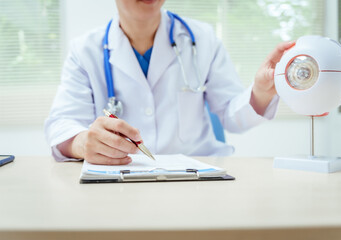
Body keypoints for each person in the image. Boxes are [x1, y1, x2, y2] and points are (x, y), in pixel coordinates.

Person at [44, 0, 295, 165]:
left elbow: (232, 116)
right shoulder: (85, 51)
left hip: (199, 180)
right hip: (122, 184)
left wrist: (261, 91)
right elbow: (61, 124)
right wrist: (84, 142)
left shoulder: (202, 39)